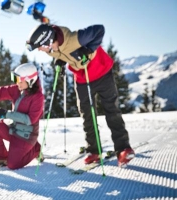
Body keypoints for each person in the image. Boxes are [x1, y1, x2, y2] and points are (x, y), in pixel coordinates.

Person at [26, 23, 135, 166]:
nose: (40, 50)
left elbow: (99, 30)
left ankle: (123, 149)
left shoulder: (75, 38)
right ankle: (94, 151)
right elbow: (64, 53)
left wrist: (88, 49)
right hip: (83, 78)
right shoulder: (50, 49)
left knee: (111, 110)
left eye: (40, 46)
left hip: (102, 72)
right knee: (87, 115)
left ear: (48, 40)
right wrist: (60, 60)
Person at [0, 63, 45, 170]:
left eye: (19, 81)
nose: (17, 84)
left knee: (12, 164)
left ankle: (36, 149)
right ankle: (0, 156)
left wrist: (7, 114)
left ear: (30, 81)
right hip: (12, 129)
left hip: (25, 136)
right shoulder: (18, 89)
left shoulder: (38, 97)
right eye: (15, 79)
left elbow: (29, 120)